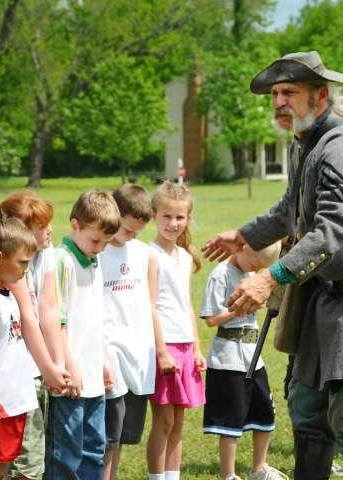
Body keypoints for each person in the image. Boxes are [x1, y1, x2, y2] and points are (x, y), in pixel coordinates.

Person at [202, 51, 343, 479]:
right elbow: (292, 207)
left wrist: (270, 276)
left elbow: (331, 232)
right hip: (323, 300)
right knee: (307, 414)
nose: (279, 102)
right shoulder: (304, 145)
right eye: (275, 94)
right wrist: (246, 235)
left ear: (320, 97)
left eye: (290, 92)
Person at [0, 190, 70, 480]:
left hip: (36, 369)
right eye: (41, 226)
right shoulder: (11, 262)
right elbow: (28, 316)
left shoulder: (46, 252)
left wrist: (57, 364)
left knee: (34, 454)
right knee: (18, 463)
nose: (50, 230)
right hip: (13, 374)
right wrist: (48, 368)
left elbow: (49, 310)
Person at [46, 190, 120, 480]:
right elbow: (57, 321)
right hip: (70, 379)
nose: (100, 248)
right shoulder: (62, 260)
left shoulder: (95, 259)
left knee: (94, 447)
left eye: (106, 242)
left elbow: (95, 317)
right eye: (95, 240)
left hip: (93, 378)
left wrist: (102, 360)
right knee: (65, 454)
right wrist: (71, 367)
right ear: (75, 225)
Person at [200, 242, 287, 480]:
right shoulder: (220, 275)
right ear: (242, 247)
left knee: (265, 412)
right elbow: (211, 319)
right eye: (254, 263)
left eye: (260, 267)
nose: (255, 269)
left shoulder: (251, 272)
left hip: (253, 356)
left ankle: (259, 468)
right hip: (228, 359)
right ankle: (229, 475)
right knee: (231, 420)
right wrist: (241, 308)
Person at [146, 181, 206, 480]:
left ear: (188, 217)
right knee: (164, 420)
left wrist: (196, 348)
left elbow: (187, 306)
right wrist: (161, 351)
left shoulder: (184, 257)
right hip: (164, 345)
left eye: (180, 217)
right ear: (154, 215)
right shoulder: (150, 255)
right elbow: (151, 306)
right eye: (167, 216)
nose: (174, 223)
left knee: (179, 421)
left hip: (185, 346)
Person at [100, 184, 160, 480]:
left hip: (138, 355)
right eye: (125, 231)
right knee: (106, 437)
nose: (129, 237)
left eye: (136, 232)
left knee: (122, 434)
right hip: (109, 353)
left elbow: (150, 306)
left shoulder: (145, 254)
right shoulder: (97, 253)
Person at [0, 215, 39, 480]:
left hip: (15, 402)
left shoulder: (9, 295)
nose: (26, 269)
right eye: (22, 262)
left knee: (3, 470)